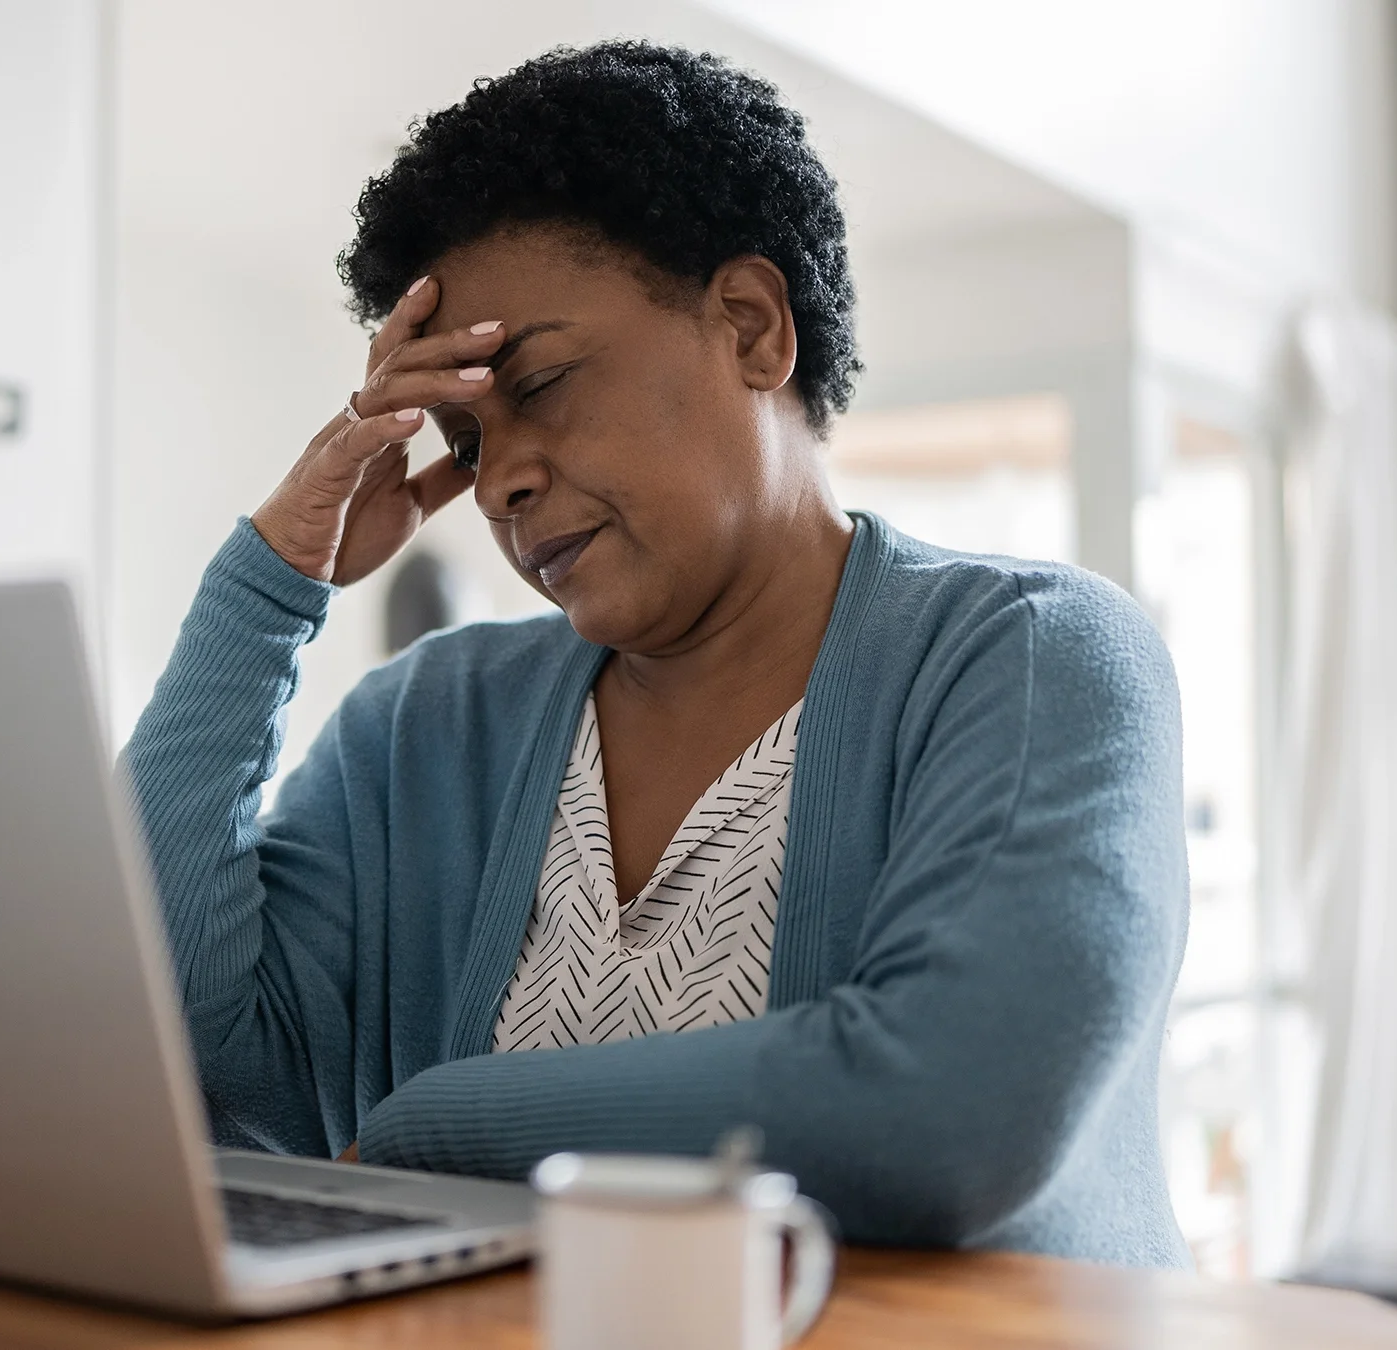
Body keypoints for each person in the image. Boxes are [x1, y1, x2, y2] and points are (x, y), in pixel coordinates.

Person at [122, 41, 1189, 1267]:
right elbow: (184, 1061)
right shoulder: (427, 725)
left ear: (749, 326)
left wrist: (431, 1130)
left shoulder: (1031, 657)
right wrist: (268, 583)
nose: (502, 479)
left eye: (543, 383)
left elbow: (955, 1102)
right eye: (465, 441)